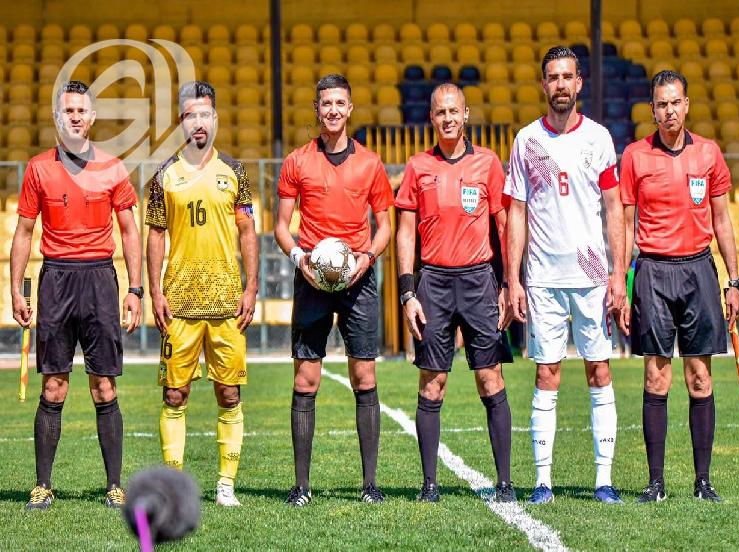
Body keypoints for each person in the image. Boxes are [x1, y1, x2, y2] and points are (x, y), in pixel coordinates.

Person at [10, 80, 142, 509]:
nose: (75, 117)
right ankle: (42, 485)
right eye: (68, 111)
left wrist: (135, 289)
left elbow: (130, 231)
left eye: (81, 110)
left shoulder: (113, 167)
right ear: (57, 118)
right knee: (54, 386)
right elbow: (24, 231)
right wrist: (15, 289)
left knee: (104, 385)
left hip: (100, 279)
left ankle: (114, 485)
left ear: (92, 117)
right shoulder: (38, 168)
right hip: (56, 280)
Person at [506, 46, 626, 504]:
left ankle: (603, 481)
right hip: (542, 277)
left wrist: (618, 273)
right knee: (547, 373)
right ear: (544, 84)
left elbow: (614, 207)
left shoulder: (598, 138)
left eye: (567, 77)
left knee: (599, 370)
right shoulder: (526, 141)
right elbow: (516, 213)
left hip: (592, 274)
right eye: (552, 77)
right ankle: (543, 482)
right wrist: (514, 279)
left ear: (579, 83)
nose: (560, 85)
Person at [620, 70, 739, 504]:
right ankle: (655, 483)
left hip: (698, 270)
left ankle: (702, 481)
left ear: (686, 105)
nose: (669, 111)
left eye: (675, 102)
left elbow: (722, 220)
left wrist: (734, 280)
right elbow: (624, 224)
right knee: (656, 375)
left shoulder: (709, 153)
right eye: (661, 104)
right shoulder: (634, 156)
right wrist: (621, 282)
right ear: (652, 110)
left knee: (700, 377)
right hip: (653, 271)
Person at [274, 74, 394, 506]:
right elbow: (281, 227)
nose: (333, 110)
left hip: (357, 279)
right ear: (317, 108)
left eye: (340, 103)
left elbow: (385, 225)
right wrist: (300, 260)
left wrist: (367, 258)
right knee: (306, 378)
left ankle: (370, 485)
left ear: (350, 108)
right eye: (326, 103)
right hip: (312, 279)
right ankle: (301, 487)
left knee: (364, 376)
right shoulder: (297, 161)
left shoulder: (371, 163)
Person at [395, 83, 515, 503]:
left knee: (490, 378)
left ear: (465, 115)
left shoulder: (488, 163)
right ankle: (429, 484)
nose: (447, 118)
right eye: (440, 112)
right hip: (434, 283)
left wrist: (508, 283)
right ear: (431, 118)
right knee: (433, 382)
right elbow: (405, 232)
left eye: (453, 111)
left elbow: (504, 225)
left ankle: (504, 482)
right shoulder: (417, 167)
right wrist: (408, 292)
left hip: (480, 281)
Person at [146, 81, 258, 507]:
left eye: (205, 114)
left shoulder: (234, 171)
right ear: (182, 121)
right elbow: (156, 235)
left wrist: (251, 285)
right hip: (179, 304)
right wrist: (155, 290)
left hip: (227, 303)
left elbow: (247, 229)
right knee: (174, 395)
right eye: (191, 114)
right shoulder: (164, 175)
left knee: (229, 394)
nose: (199, 122)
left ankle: (225, 485)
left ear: (215, 119)